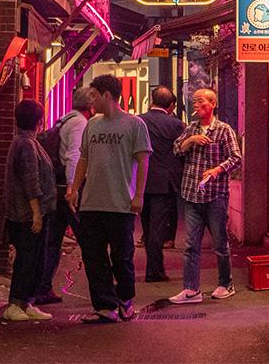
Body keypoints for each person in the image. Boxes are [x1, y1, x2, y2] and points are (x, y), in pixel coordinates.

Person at [68, 74, 151, 323]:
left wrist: (139, 195)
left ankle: (125, 299)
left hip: (121, 203)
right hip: (91, 202)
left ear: (107, 95)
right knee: (93, 257)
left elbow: (143, 161)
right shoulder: (92, 124)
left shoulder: (135, 125)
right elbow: (84, 158)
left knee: (121, 257)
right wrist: (74, 188)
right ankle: (105, 306)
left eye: (94, 95)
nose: (91, 100)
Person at [168, 87, 242, 304]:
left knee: (220, 244)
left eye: (201, 101)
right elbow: (176, 149)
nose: (196, 105)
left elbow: (236, 157)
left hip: (215, 194)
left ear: (213, 104)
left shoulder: (223, 130)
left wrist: (217, 170)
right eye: (194, 101)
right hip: (191, 193)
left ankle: (225, 284)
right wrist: (191, 140)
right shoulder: (191, 128)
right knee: (191, 245)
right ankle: (191, 289)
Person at [34, 86, 94, 304]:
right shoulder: (79, 123)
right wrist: (73, 187)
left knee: (52, 240)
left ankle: (42, 288)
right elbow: (74, 156)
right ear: (90, 105)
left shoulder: (65, 119)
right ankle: (101, 291)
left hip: (56, 189)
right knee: (89, 240)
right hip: (68, 192)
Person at [2, 99, 58, 321]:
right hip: (27, 215)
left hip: (27, 213)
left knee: (33, 259)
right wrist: (36, 213)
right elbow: (30, 181)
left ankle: (26, 303)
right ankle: (15, 303)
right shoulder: (26, 145)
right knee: (27, 260)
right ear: (39, 121)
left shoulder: (25, 142)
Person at [139, 85, 185, 282]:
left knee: (147, 225)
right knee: (157, 227)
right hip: (165, 183)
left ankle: (154, 268)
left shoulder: (139, 121)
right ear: (171, 105)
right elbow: (182, 151)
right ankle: (154, 270)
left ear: (152, 100)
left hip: (142, 180)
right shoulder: (177, 125)